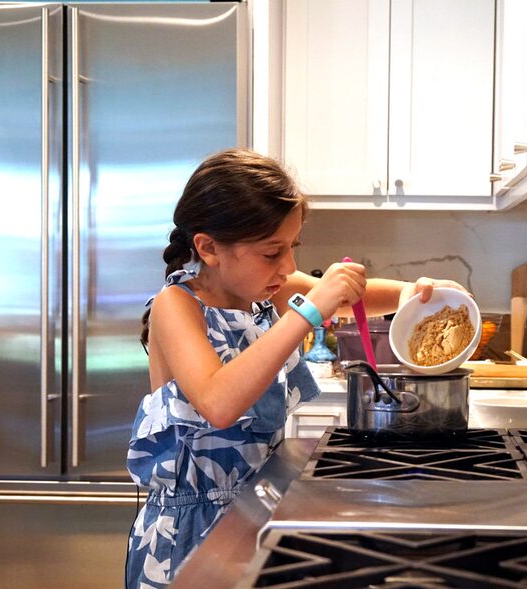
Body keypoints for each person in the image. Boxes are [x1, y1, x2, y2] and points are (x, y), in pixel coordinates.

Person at [125, 148, 467, 588]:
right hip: (187, 536)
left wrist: (420, 293)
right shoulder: (177, 307)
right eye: (272, 253)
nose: (287, 267)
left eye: (292, 248)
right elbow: (218, 402)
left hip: (259, 513)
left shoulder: (269, 291)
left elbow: (353, 295)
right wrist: (306, 313)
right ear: (208, 248)